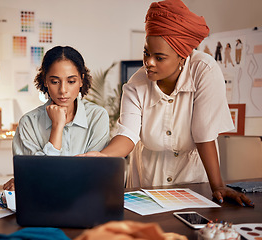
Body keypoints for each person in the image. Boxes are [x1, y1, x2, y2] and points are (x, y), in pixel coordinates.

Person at [81, 0, 253, 207]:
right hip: (148, 185)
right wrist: (101, 155)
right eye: (146, 53)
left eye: (159, 57)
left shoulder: (204, 71)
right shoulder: (136, 84)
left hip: (192, 182)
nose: (149, 62)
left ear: (182, 57)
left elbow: (204, 133)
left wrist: (217, 186)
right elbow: (128, 134)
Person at [3, 46, 110, 190]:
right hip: (41, 204)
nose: (63, 90)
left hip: (85, 200)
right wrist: (57, 127)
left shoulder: (97, 117)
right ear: (45, 81)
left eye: (71, 81)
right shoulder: (28, 122)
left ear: (81, 81)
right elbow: (30, 177)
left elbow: (95, 174)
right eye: (55, 82)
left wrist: (35, 178)